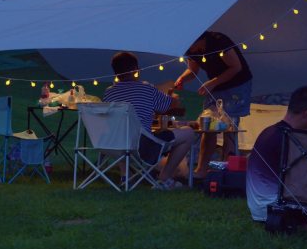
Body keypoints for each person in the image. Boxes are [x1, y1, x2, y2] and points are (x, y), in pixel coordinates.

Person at [103, 51, 195, 190]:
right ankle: (164, 179)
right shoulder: (146, 88)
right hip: (143, 145)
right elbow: (169, 106)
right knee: (188, 133)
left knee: (122, 132)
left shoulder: (109, 93)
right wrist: (173, 97)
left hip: (114, 144)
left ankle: (125, 176)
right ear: (135, 70)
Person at [174, 31, 253, 177]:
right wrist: (182, 78)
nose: (191, 52)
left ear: (200, 39)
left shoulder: (219, 42)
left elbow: (236, 67)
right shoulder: (191, 49)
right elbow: (193, 70)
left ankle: (227, 171)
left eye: (193, 48)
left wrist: (213, 82)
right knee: (208, 126)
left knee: (230, 126)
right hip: (215, 87)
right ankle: (202, 169)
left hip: (236, 85)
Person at [246, 86, 307, 222]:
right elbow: (306, 181)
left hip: (258, 209)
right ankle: (304, 226)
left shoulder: (268, 131)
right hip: (275, 211)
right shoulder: (289, 139)